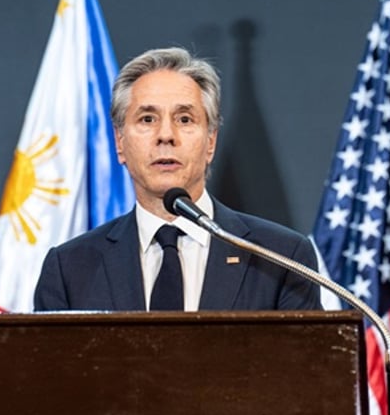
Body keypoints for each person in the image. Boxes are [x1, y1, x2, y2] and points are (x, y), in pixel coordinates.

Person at [34, 47, 320, 312]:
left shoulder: (280, 258)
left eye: (184, 119)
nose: (166, 135)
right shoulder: (70, 269)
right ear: (120, 143)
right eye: (147, 119)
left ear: (210, 142)